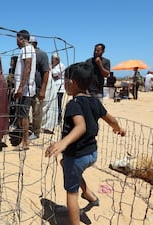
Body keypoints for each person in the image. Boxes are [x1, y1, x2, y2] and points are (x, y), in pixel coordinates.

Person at [45, 62, 125, 225]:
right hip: (91, 154)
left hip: (77, 156)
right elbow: (111, 119)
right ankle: (89, 195)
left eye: (65, 80)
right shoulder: (94, 101)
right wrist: (118, 129)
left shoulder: (73, 104)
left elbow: (81, 126)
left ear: (71, 83)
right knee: (65, 163)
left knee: (71, 193)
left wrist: (63, 143)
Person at [13, 30, 36, 150]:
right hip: (24, 88)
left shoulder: (27, 49)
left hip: (26, 89)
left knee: (23, 116)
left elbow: (27, 68)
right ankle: (24, 140)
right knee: (23, 115)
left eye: (17, 39)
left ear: (22, 39)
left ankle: (25, 141)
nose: (16, 42)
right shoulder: (27, 49)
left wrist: (21, 87)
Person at [28, 36, 50, 140]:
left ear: (35, 44)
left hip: (37, 88)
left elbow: (46, 72)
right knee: (25, 109)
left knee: (36, 111)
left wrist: (43, 90)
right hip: (27, 88)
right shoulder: (26, 53)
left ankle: (36, 132)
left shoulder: (42, 54)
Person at [51, 52, 66, 122]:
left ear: (57, 59)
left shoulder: (61, 66)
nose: (51, 60)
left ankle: (59, 119)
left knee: (58, 104)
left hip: (59, 88)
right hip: (53, 87)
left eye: (52, 59)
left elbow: (55, 75)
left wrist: (50, 69)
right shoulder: (53, 66)